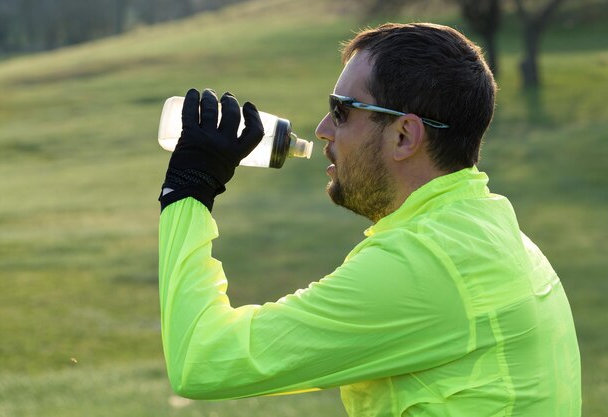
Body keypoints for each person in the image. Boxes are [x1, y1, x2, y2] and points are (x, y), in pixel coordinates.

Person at [158, 23, 581, 417]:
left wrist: (189, 189)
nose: (323, 129)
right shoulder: (489, 229)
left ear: (404, 136)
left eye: (341, 111)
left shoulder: (423, 265)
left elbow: (202, 359)